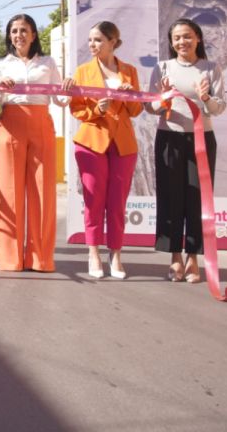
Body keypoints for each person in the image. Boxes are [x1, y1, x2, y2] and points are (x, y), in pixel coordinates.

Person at [146, 18, 227, 283]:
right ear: (171, 42)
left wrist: (205, 98)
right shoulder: (162, 68)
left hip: (202, 142)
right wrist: (164, 98)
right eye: (177, 38)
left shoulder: (210, 69)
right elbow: (150, 107)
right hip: (169, 140)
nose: (183, 42)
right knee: (171, 199)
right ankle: (174, 258)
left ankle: (193, 258)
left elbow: (219, 107)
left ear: (198, 38)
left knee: (197, 200)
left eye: (188, 36)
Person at [0, 13, 69, 272]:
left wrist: (66, 90)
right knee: (10, 193)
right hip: (10, 126)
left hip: (41, 126)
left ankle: (40, 258)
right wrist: (0, 89)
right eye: (14, 31)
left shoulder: (47, 63)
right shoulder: (2, 64)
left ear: (34, 34)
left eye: (24, 30)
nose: (19, 35)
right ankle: (10, 258)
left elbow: (59, 99)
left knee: (43, 192)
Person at [69, 21, 142, 279]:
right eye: (90, 40)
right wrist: (96, 110)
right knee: (94, 201)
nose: (92, 45)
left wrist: (128, 96)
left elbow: (136, 110)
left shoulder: (129, 71)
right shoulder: (82, 72)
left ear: (113, 42)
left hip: (123, 145)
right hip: (91, 143)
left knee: (117, 202)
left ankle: (116, 255)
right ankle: (93, 253)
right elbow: (76, 109)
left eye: (98, 40)